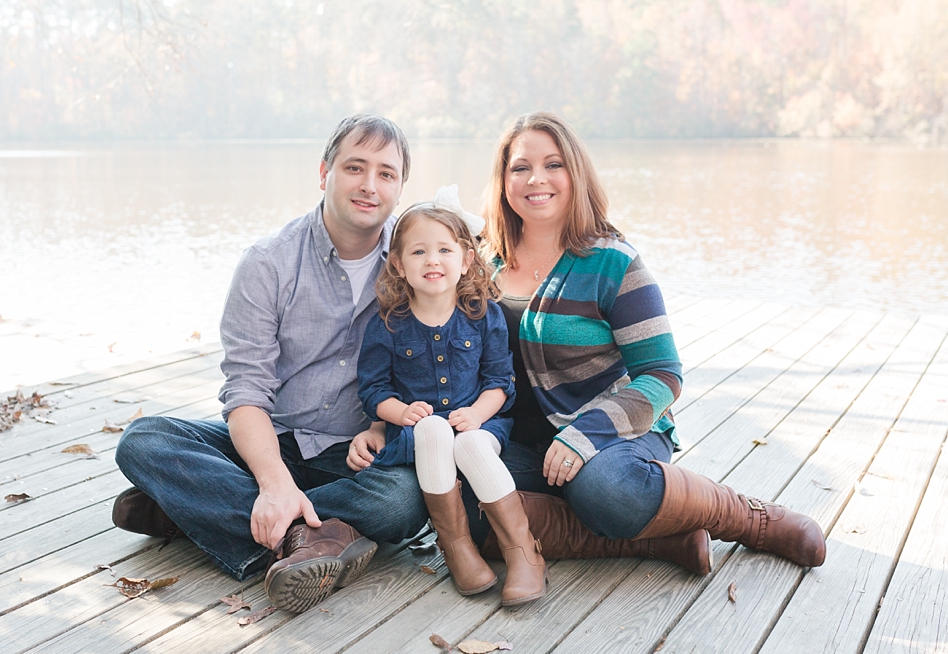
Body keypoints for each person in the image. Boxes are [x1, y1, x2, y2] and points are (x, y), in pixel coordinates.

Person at [464, 111, 826, 574]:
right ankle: (657, 542)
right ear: (503, 179)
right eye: (521, 167)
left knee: (606, 491)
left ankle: (743, 517)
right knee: (462, 501)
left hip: (615, 436)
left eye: (554, 164)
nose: (537, 178)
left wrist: (585, 435)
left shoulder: (613, 262)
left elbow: (662, 375)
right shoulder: (478, 261)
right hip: (520, 445)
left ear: (576, 174)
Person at [112, 114, 430, 614]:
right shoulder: (267, 263)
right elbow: (245, 391)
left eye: (386, 173)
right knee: (144, 440)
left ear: (400, 186)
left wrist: (378, 425)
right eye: (355, 167)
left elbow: (433, 367)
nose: (370, 185)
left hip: (356, 453)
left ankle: (195, 509)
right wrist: (273, 480)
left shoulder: (417, 262)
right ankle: (309, 536)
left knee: (402, 503)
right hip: (268, 442)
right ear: (324, 172)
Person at [353, 187, 545, 606]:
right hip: (418, 436)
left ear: (466, 259)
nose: (433, 260)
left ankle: (523, 552)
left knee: (473, 443)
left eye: (444, 249)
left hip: (481, 423)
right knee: (435, 428)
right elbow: (373, 389)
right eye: (418, 252)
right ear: (399, 265)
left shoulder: (483, 316)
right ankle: (457, 546)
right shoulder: (387, 324)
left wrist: (477, 414)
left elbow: (500, 383)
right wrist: (401, 412)